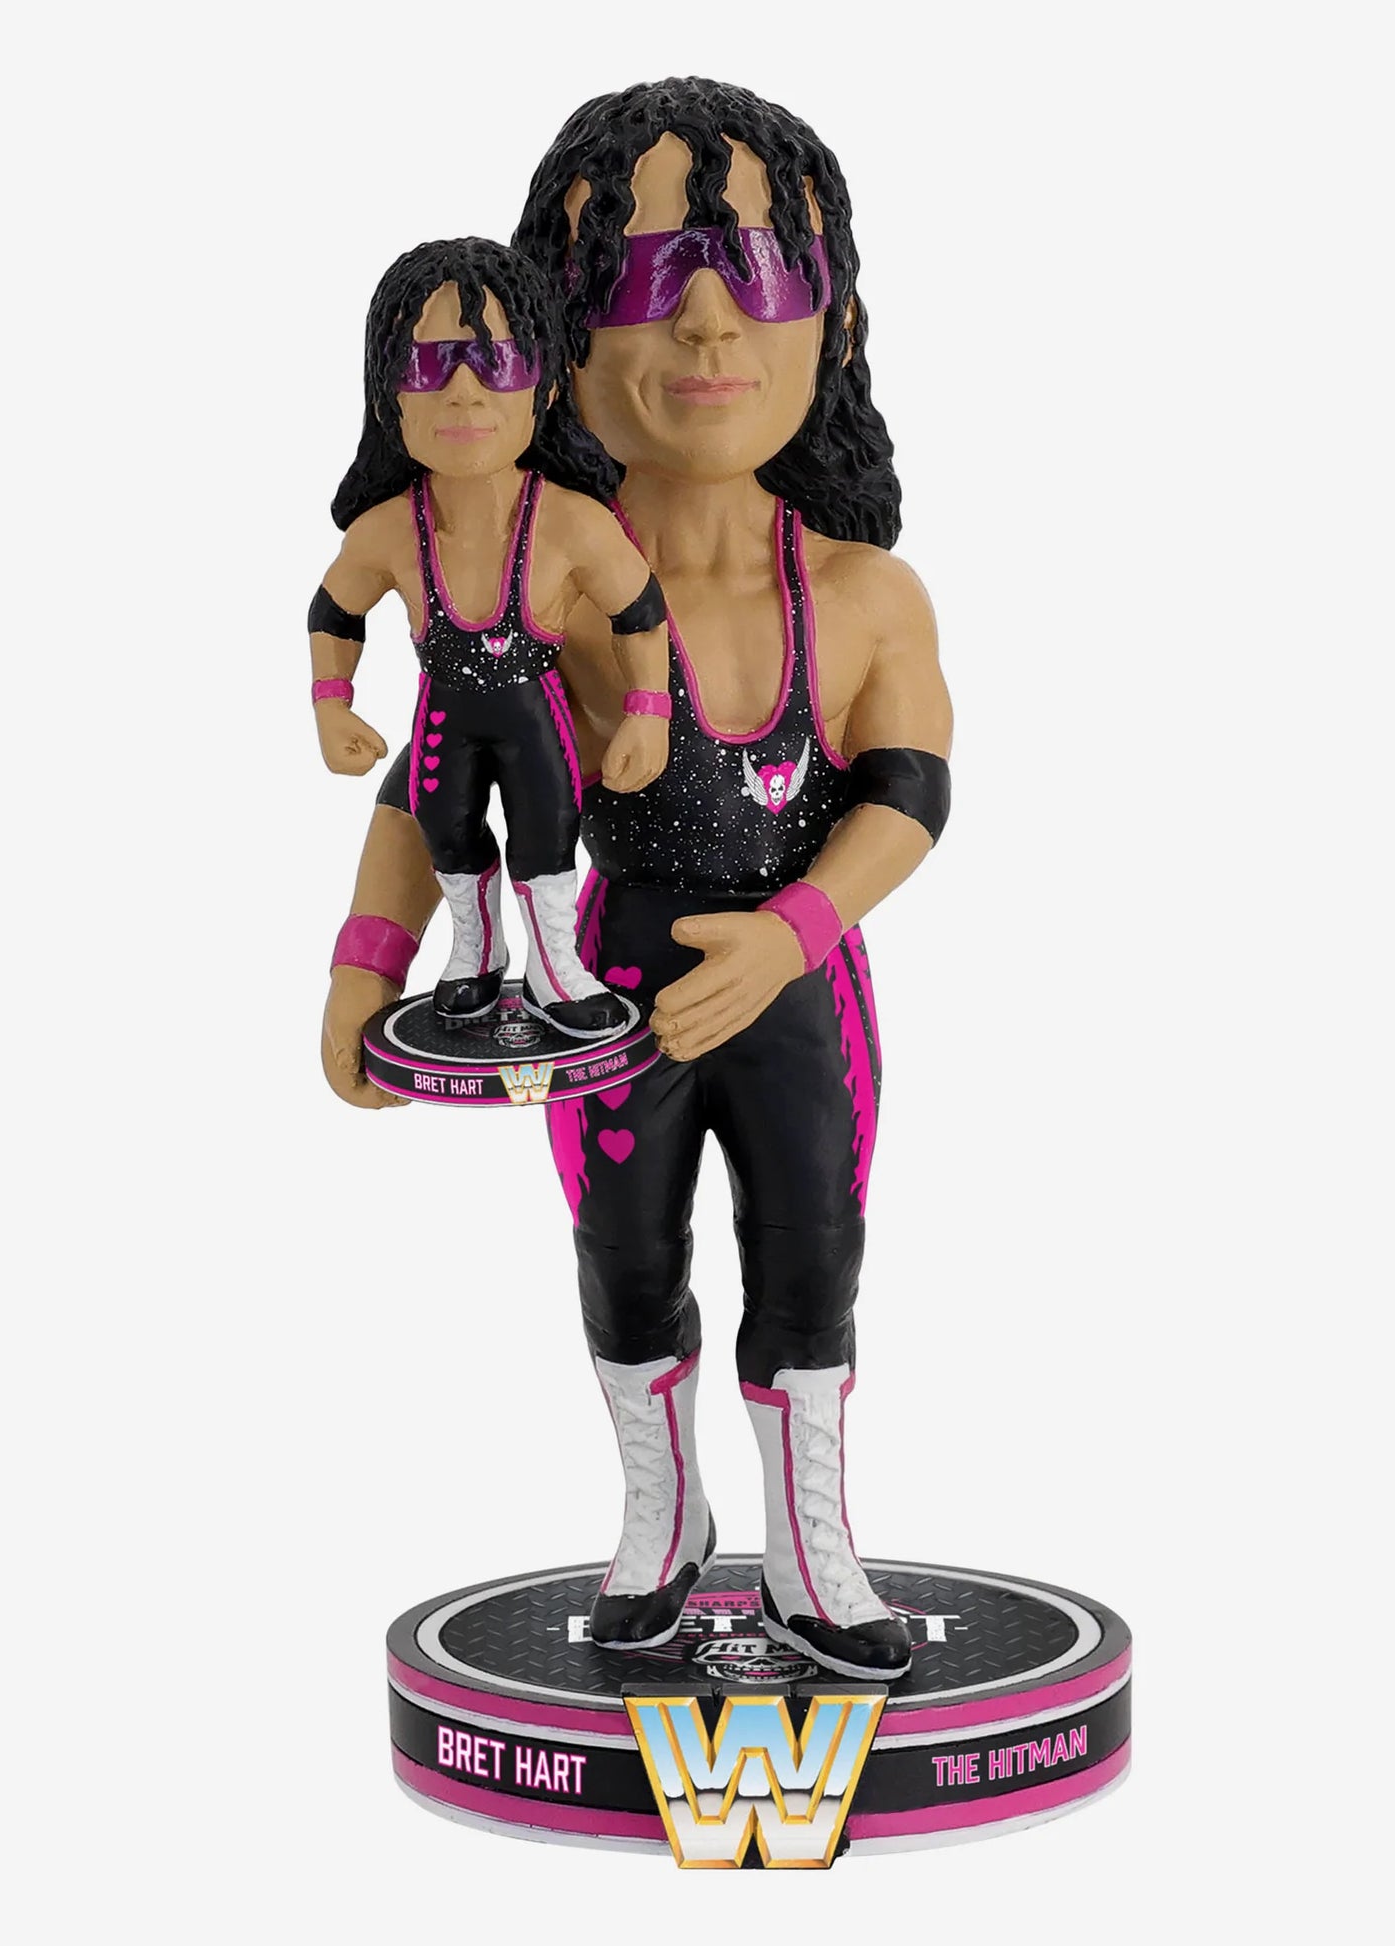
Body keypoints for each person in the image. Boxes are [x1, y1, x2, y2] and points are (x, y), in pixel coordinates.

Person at [322, 81, 953, 1680]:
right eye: (651, 272)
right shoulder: (534, 571)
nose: (708, 324)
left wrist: (791, 934)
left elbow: (911, 795)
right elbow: (430, 776)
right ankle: (659, 1523)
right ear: (559, 331)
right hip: (599, 985)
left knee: (814, 1254)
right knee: (622, 1256)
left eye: (758, 271)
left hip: (797, 988)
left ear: (834, 315)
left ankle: (814, 1553)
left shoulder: (864, 595)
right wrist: (364, 964)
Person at [309, 238, 671, 1038]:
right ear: (388, 394)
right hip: (446, 721)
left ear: (544, 384)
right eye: (430, 365)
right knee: (446, 831)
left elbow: (640, 612)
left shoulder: (572, 524)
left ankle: (555, 967)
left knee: (548, 834)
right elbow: (334, 612)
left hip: (534, 721)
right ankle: (474, 953)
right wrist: (331, 704)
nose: (465, 393)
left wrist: (648, 711)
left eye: (495, 362)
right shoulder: (386, 532)